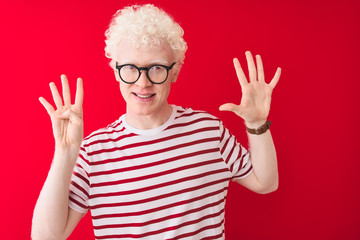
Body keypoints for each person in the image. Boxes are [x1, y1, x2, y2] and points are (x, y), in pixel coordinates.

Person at [31, 4, 281, 240]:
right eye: (130, 68)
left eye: (157, 68)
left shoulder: (208, 132)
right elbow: (45, 237)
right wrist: (65, 152)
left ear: (175, 71)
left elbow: (266, 182)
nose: (143, 83)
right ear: (115, 69)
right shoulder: (94, 151)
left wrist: (257, 124)